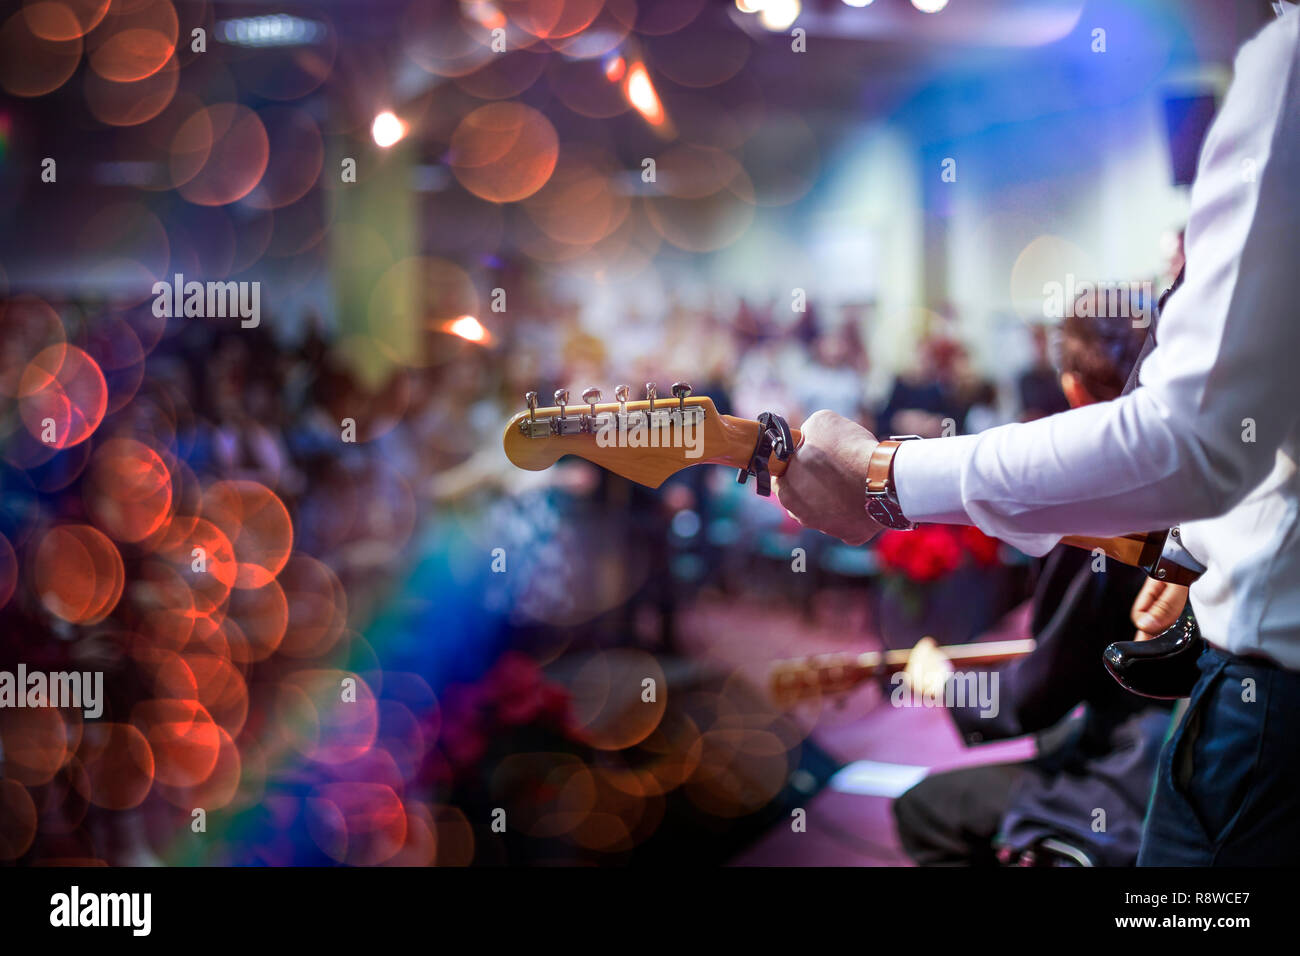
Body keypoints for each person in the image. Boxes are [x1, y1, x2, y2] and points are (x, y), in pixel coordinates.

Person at [774, 6, 1300, 865]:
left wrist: (884, 474)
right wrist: (1207, 552)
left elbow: (1188, 443)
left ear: (1069, 387)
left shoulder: (1292, 63)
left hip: (1247, 720)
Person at [892, 300, 1173, 867]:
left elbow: (1032, 699)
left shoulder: (1107, 517)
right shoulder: (1217, 479)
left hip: (1138, 773)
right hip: (1210, 749)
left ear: (1071, 389)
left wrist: (945, 682)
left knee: (920, 809)